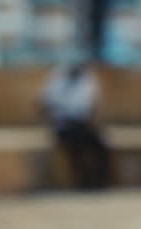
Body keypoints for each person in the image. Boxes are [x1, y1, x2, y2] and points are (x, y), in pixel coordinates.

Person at [38, 54, 110, 189]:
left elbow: (93, 106)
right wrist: (53, 121)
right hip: (63, 126)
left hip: (83, 125)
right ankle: (82, 181)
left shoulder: (87, 79)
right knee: (74, 148)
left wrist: (90, 121)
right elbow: (43, 106)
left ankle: (100, 180)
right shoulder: (55, 79)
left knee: (101, 145)